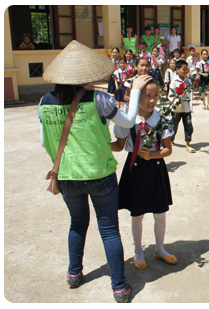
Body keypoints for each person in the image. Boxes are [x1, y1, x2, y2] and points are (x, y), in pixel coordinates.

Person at [38, 40, 152, 302]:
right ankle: (119, 288)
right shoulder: (99, 98)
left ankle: (73, 274)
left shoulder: (44, 102)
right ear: (85, 75)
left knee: (77, 224)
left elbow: (46, 142)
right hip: (100, 174)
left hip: (66, 176)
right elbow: (128, 120)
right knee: (109, 229)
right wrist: (135, 91)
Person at [111, 78, 177, 271]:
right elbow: (119, 145)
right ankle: (139, 251)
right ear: (135, 97)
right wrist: (100, 146)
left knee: (160, 213)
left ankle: (159, 249)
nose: (152, 100)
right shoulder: (126, 121)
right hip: (135, 169)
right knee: (137, 213)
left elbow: (168, 150)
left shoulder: (162, 119)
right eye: (147, 95)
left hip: (156, 168)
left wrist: (152, 154)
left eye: (156, 95)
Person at [169, 60, 195, 153]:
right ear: (177, 69)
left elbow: (190, 93)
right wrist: (176, 101)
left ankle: (188, 143)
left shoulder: (188, 81)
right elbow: (170, 94)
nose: (185, 71)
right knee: (174, 125)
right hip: (176, 108)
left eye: (186, 69)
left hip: (186, 108)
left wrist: (190, 103)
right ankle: (171, 139)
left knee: (188, 125)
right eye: (183, 69)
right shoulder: (174, 81)